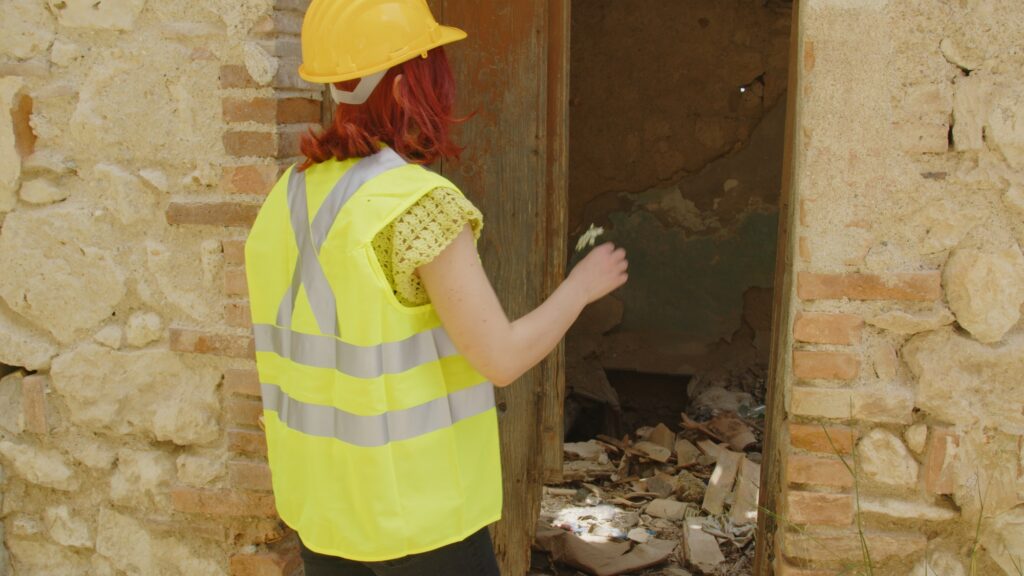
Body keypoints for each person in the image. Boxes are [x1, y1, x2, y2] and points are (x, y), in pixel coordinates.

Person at [243, 1, 628, 574]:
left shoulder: (287, 197)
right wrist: (580, 286)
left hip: (322, 513)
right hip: (416, 521)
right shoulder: (416, 206)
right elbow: (500, 357)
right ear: (403, 91)